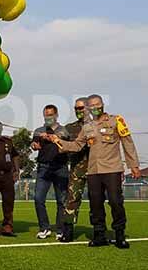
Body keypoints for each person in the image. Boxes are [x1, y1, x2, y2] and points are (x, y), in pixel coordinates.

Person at [50, 94, 141, 249]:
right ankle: (99, 235)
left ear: (102, 104)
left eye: (97, 104)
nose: (94, 108)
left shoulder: (116, 120)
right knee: (96, 204)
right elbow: (77, 145)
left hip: (112, 169)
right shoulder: (87, 127)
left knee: (115, 202)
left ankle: (120, 234)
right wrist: (58, 141)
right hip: (93, 171)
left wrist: (134, 165)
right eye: (91, 106)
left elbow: (127, 142)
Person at [31, 104, 69, 240]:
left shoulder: (64, 130)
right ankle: (44, 228)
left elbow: (68, 145)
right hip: (43, 168)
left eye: (51, 114)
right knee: (38, 198)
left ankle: (60, 229)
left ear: (56, 115)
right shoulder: (38, 131)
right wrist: (35, 145)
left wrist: (53, 137)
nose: (48, 117)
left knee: (61, 200)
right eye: (46, 115)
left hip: (61, 167)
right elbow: (34, 145)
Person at [59, 98, 90, 242]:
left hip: (97, 168)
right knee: (72, 199)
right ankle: (68, 231)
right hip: (77, 169)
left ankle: (99, 230)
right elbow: (60, 143)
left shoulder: (98, 125)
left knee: (98, 200)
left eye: (81, 108)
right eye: (76, 108)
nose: (79, 111)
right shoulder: (69, 128)